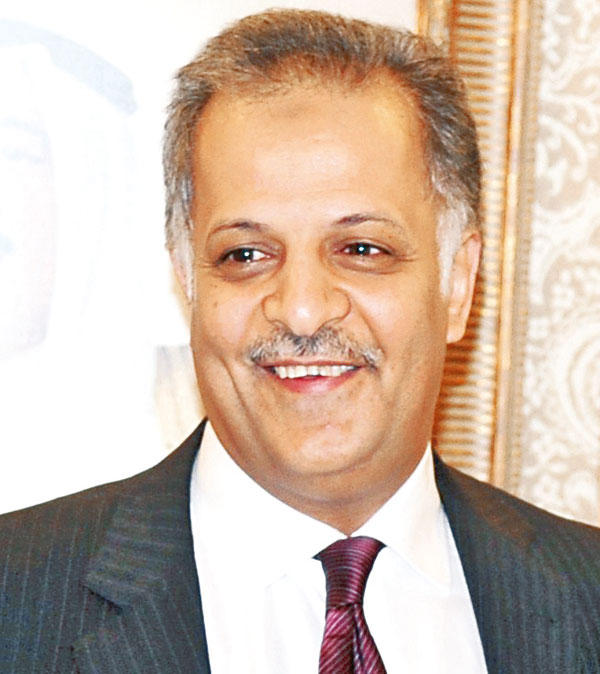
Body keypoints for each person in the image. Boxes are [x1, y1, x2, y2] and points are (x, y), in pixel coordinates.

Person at [1, 9, 599, 673]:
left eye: (362, 249)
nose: (304, 310)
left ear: (457, 285)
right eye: (246, 254)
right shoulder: (15, 601)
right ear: (187, 284)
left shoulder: (587, 597)